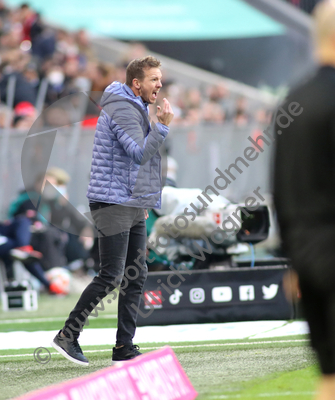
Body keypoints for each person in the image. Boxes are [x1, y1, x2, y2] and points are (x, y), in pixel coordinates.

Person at [52, 56, 174, 366]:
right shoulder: (123, 108)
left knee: (136, 274)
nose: (159, 84)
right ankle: (68, 334)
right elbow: (138, 153)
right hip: (112, 201)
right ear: (137, 83)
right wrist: (161, 128)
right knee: (112, 275)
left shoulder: (131, 105)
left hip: (130, 202)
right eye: (154, 79)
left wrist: (143, 202)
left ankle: (124, 347)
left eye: (160, 79)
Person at [273, 2, 335, 399]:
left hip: (310, 256)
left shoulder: (291, 102)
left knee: (329, 373)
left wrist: (292, 260)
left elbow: (282, 190)